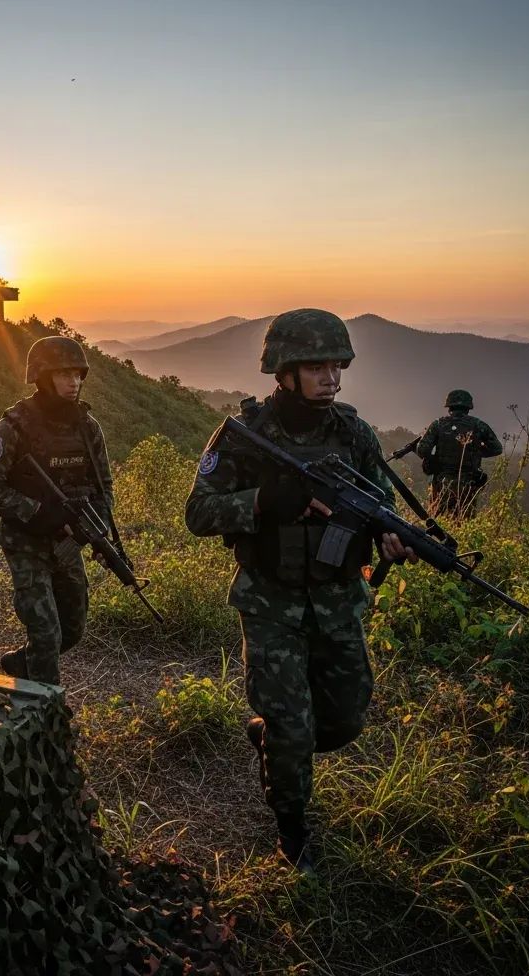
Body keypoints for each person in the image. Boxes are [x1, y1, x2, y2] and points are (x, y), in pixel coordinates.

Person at [185, 308, 416, 873]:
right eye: (316, 366)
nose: (331, 377)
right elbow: (198, 512)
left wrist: (389, 535)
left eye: (337, 365)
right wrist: (265, 501)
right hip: (271, 601)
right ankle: (292, 828)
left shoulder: (353, 432)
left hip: (338, 598)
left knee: (344, 720)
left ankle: (270, 737)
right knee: (293, 729)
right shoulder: (246, 435)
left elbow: (377, 502)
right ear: (283, 371)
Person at [0, 335, 113, 685]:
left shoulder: (87, 428)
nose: (74, 382)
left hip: (67, 544)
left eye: (78, 374)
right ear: (42, 376)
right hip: (25, 542)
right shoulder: (14, 426)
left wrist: (90, 529)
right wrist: (39, 512)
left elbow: (104, 488)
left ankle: (24, 662)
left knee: (73, 628)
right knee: (47, 634)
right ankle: (45, 715)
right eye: (64, 374)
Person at [416, 390, 502, 518]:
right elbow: (496, 448)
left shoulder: (438, 424)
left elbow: (422, 450)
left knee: (436, 523)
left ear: (449, 406)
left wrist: (434, 459)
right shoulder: (478, 425)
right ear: (468, 407)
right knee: (464, 524)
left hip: (442, 483)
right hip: (467, 485)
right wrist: (475, 451)